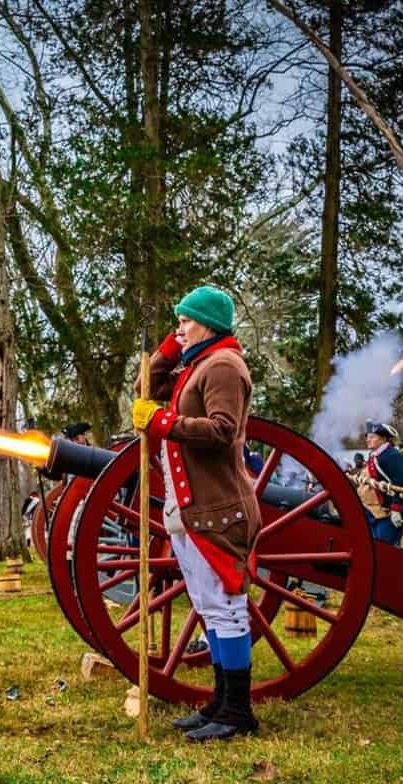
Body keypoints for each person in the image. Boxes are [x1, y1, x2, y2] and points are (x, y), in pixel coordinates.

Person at [132, 284, 262, 742]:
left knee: (227, 610)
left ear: (208, 322)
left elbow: (223, 431)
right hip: (191, 508)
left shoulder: (224, 366)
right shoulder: (197, 364)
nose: (179, 327)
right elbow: (145, 386)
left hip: (218, 508)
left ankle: (237, 711)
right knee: (209, 607)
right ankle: (220, 704)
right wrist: (170, 347)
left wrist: (162, 422)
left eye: (185, 320)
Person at [357, 422, 403, 545]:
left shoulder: (393, 455)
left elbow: (401, 484)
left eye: (372, 437)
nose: (368, 440)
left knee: (388, 548)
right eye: (367, 437)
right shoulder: (375, 455)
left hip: (388, 511)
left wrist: (397, 509)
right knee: (376, 546)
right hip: (373, 510)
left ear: (384, 438)